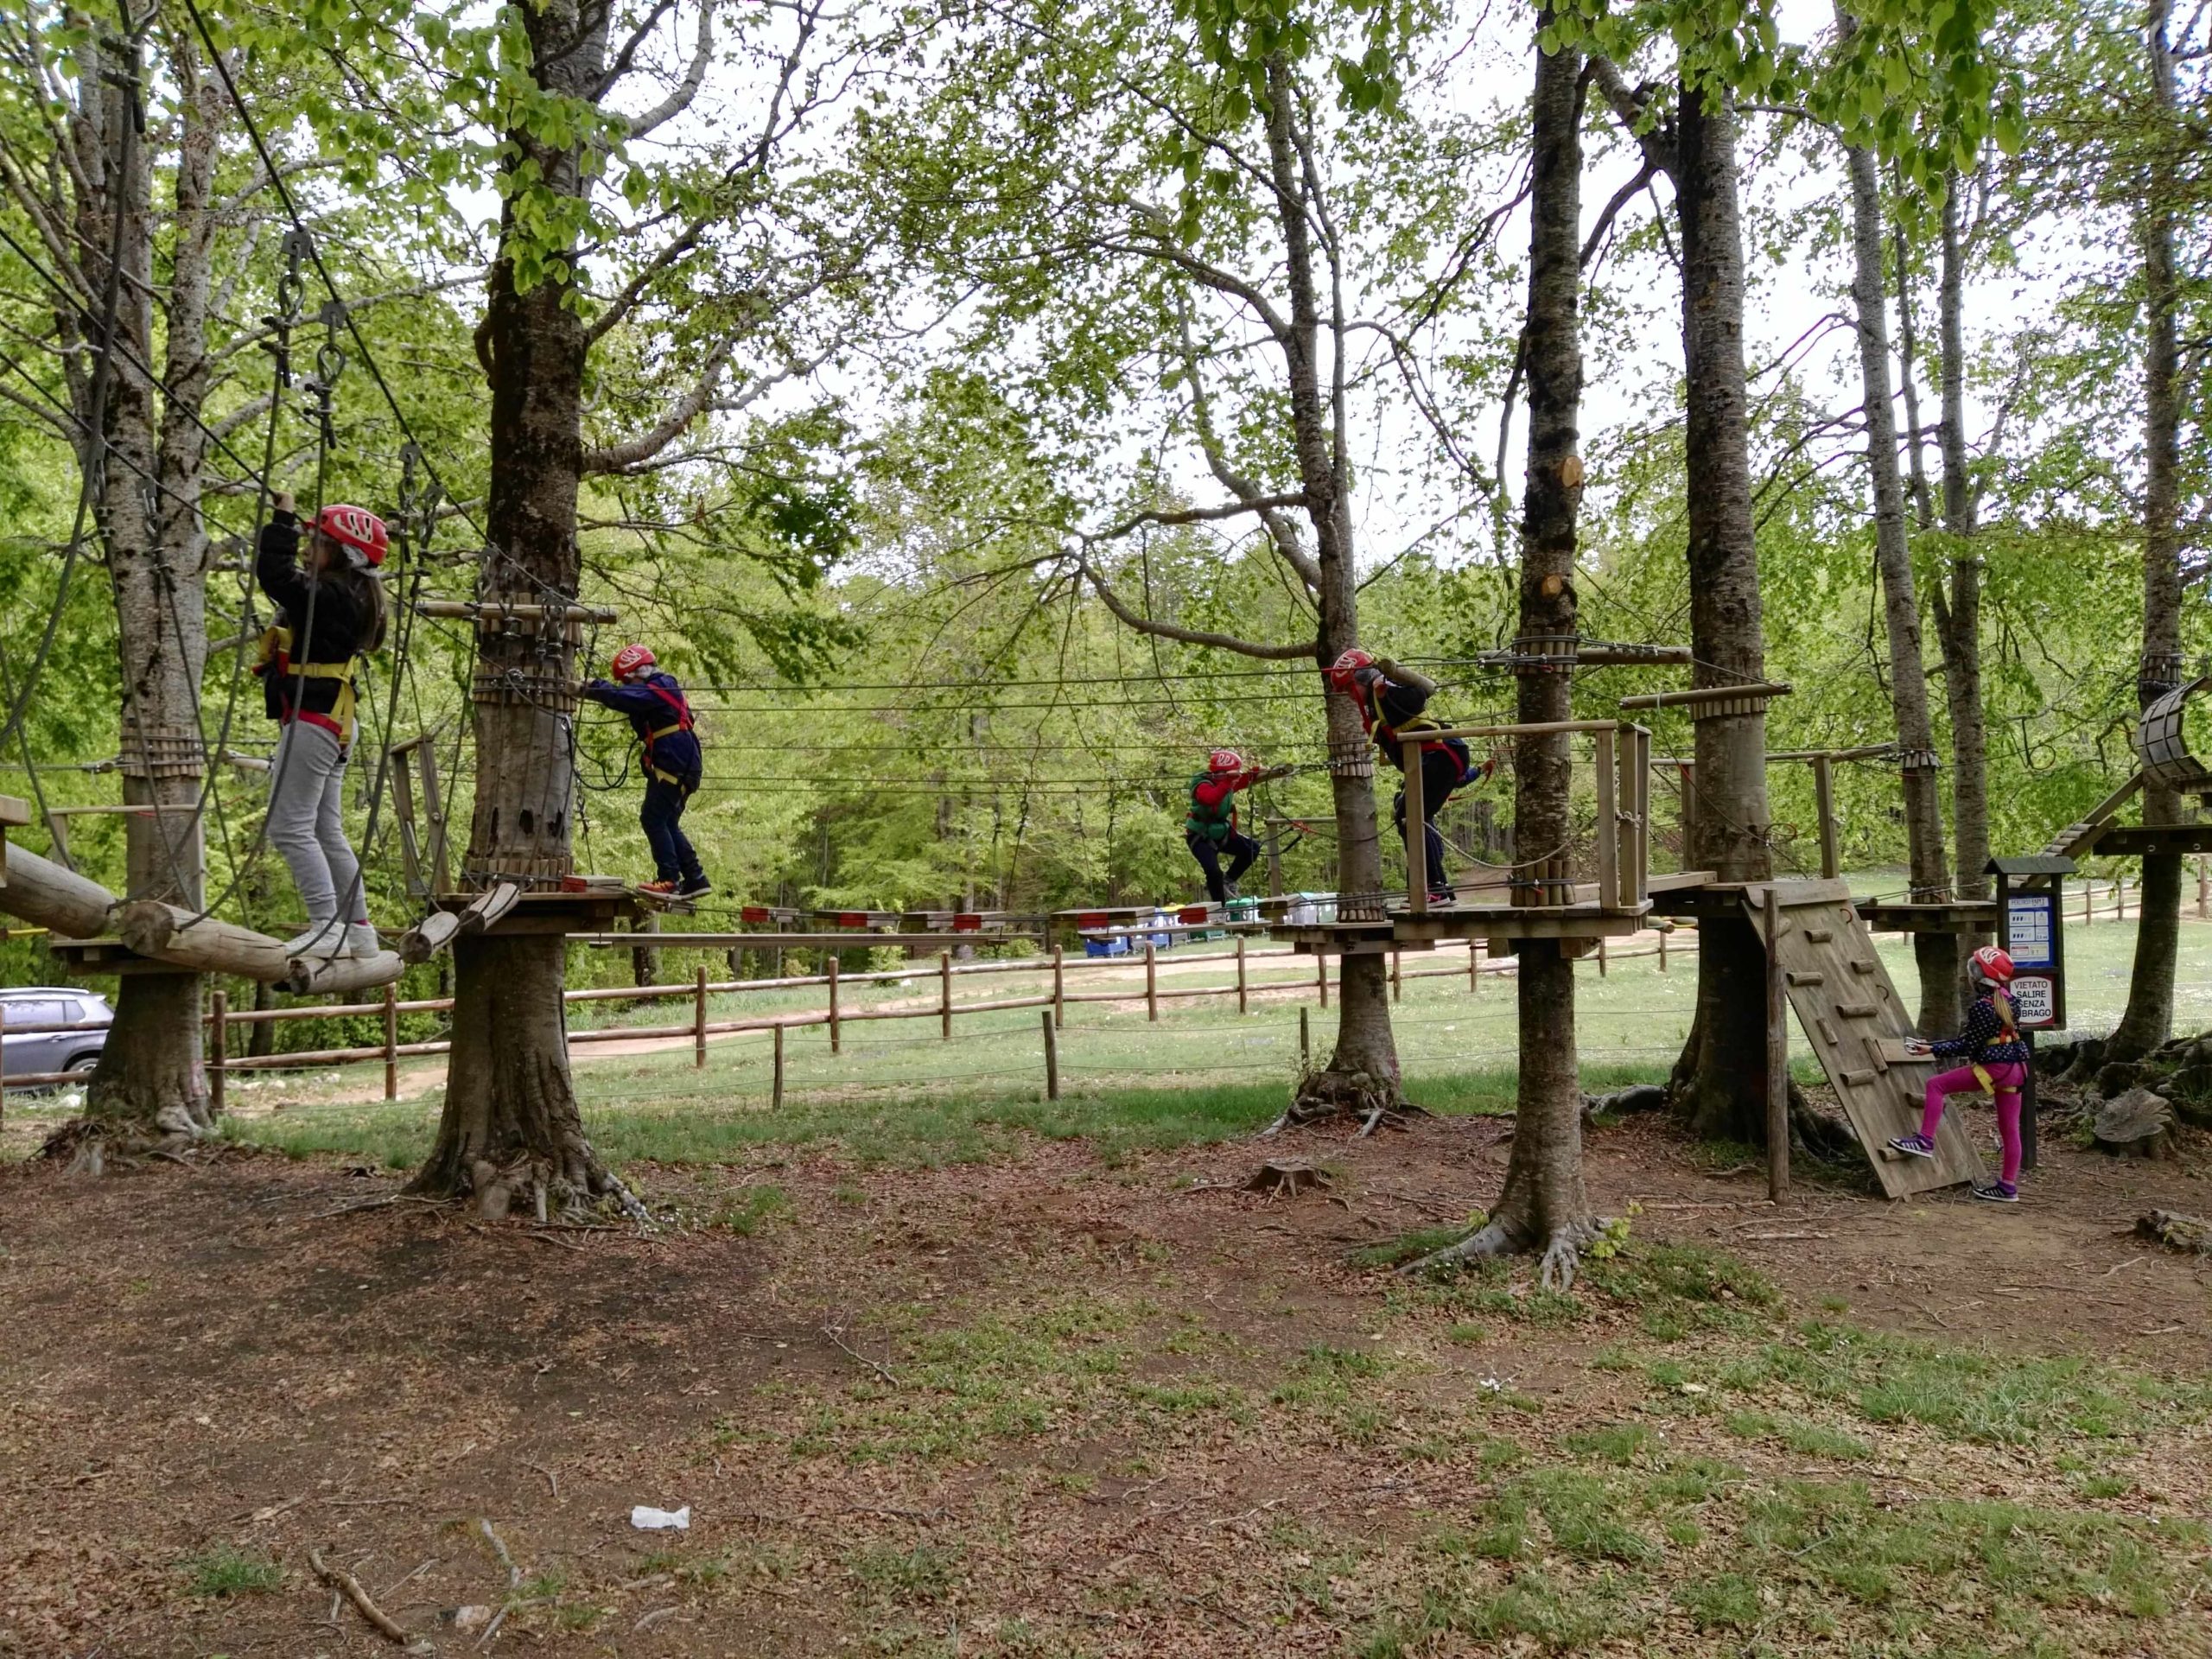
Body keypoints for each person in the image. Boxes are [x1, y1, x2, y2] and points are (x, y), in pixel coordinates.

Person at [254, 492, 388, 958]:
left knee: (289, 828)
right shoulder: (344, 596)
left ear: (343, 554)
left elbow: (275, 575)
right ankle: (359, 930)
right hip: (331, 719)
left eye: (318, 543)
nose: (308, 551)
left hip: (315, 721)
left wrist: (284, 518)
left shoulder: (331, 596)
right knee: (326, 830)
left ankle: (326, 926)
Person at [1325, 647, 1497, 906]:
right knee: (1411, 816)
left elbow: (1419, 695)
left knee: (1410, 817)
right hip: (1438, 759)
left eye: (1350, 689)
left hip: (1441, 755)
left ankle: (1434, 889)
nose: (1350, 696)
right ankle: (1440, 890)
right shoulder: (1376, 699)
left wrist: (1393, 679)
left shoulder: (1383, 690)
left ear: (1361, 679)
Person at [1887, 945, 2031, 1203]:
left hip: (1995, 1069)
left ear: (1978, 976)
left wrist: (1931, 1048)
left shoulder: (1982, 1008)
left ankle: (1924, 1141)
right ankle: (2008, 1187)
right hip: (2018, 1070)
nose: (1969, 975)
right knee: (2010, 1130)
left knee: (1935, 1086)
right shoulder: (2012, 1000)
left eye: (1972, 970)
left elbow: (1967, 1045)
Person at [582, 644, 710, 898]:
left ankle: (669, 879)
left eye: (629, 681)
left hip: (674, 759)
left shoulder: (660, 684)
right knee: (666, 820)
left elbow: (623, 698)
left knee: (652, 817)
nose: (629, 687)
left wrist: (591, 686)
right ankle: (695, 878)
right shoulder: (659, 691)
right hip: (682, 759)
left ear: (637, 672)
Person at [1185, 748, 1290, 905]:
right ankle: (1220, 909)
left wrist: (1254, 773)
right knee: (1213, 872)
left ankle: (1229, 880)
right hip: (1199, 836)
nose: (1236, 778)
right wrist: (1228, 781)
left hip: (1221, 833)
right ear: (1222, 772)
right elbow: (1210, 798)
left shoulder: (1227, 783)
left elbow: (1242, 780)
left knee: (1252, 848)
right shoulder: (1202, 785)